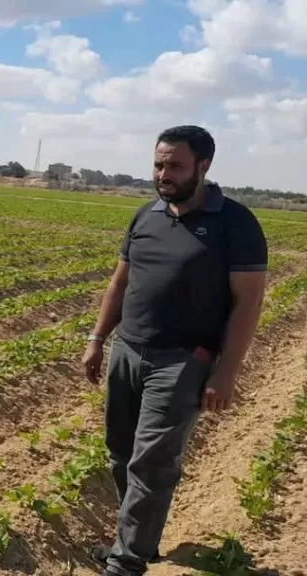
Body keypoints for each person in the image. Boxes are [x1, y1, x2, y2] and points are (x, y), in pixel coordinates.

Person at [81, 125, 268, 576]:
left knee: (154, 460)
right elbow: (121, 281)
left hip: (183, 361)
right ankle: (137, 541)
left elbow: (249, 302)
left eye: (176, 165)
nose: (164, 174)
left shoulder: (236, 224)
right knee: (120, 453)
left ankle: (126, 562)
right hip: (128, 351)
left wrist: (226, 373)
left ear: (204, 166)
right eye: (159, 164)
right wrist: (97, 338)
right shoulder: (146, 216)